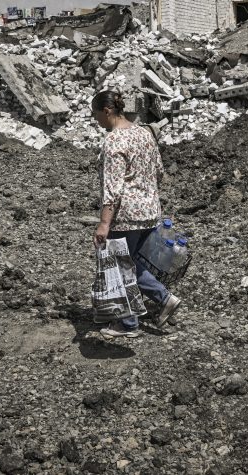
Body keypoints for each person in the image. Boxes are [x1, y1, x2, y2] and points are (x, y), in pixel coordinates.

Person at [91, 90, 181, 339]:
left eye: (96, 115)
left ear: (107, 112)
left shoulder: (114, 141)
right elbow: (159, 171)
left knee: (120, 267)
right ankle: (163, 300)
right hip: (150, 211)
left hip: (126, 215)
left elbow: (113, 187)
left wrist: (103, 223)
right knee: (132, 262)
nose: (96, 120)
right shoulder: (144, 133)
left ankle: (128, 323)